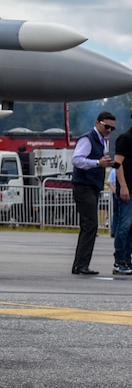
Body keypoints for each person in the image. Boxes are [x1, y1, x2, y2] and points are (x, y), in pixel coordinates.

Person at [70, 111, 116, 276]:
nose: (109, 130)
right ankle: (81, 265)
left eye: (112, 128)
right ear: (98, 123)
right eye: (107, 127)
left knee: (87, 226)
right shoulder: (88, 139)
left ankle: (79, 265)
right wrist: (97, 162)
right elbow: (76, 159)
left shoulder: (102, 140)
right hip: (84, 186)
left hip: (91, 186)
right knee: (91, 225)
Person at [114, 121, 132, 277]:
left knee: (131, 227)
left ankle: (128, 259)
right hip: (128, 189)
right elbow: (117, 164)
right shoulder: (125, 138)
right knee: (124, 225)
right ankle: (120, 261)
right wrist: (123, 186)